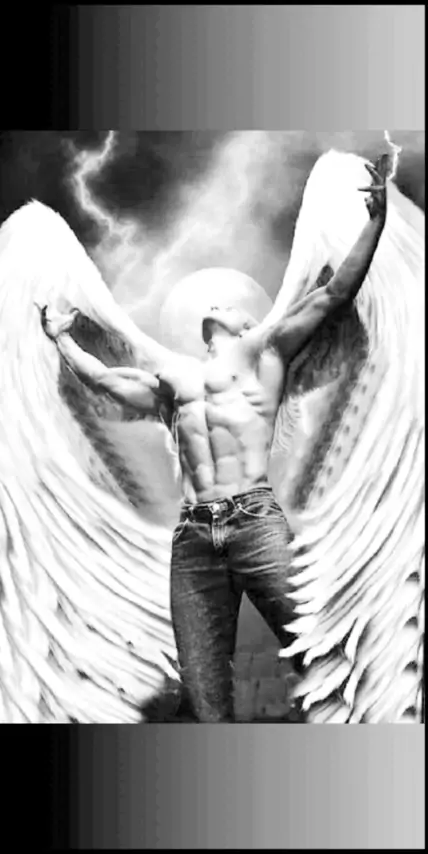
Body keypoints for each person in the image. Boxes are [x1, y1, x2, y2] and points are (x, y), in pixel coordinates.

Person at [40, 156, 388, 722]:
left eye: (230, 305)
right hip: (193, 537)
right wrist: (62, 340)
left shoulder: (266, 352)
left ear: (249, 324)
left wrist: (374, 223)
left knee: (321, 652)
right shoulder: (174, 380)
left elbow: (332, 295)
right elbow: (104, 380)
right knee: (202, 689)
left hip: (254, 520)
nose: (218, 303)